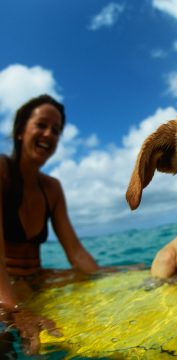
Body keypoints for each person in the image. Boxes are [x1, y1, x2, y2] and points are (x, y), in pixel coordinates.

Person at [0, 95, 101, 355]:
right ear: (21, 130)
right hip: (5, 286)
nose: (49, 134)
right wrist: (17, 312)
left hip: (38, 279)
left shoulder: (52, 189)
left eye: (56, 131)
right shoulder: (2, 172)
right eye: (42, 125)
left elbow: (76, 253)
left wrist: (105, 279)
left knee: (123, 275)